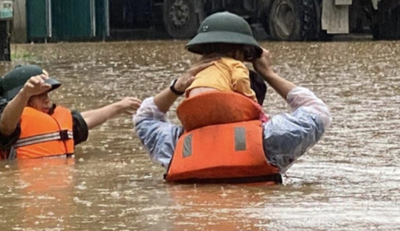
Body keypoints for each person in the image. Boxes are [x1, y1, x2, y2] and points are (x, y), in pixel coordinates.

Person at [133, 47, 331, 183]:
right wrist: (268, 74)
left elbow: (144, 117)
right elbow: (318, 112)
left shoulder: (175, 146)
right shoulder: (270, 139)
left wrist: (176, 87)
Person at [0, 64, 141, 159]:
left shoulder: (53, 122)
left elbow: (84, 120)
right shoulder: (9, 126)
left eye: (47, 95)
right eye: (40, 95)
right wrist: (25, 93)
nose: (47, 100)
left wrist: (118, 107)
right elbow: (6, 126)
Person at [183, 12, 261, 103]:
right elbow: (240, 79)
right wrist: (252, 100)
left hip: (192, 97)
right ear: (236, 53)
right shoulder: (235, 64)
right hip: (218, 98)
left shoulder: (199, 67)